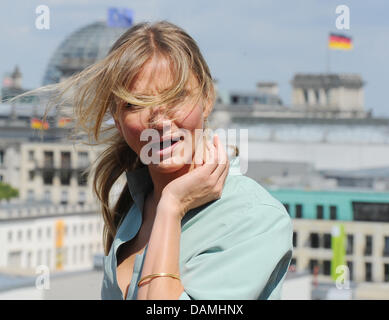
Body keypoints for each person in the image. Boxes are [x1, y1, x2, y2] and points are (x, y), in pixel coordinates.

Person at [13, 20, 293, 300]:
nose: (159, 121)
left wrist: (172, 206)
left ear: (207, 98)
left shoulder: (253, 216)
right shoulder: (135, 207)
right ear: (119, 121)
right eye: (135, 104)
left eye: (176, 96)